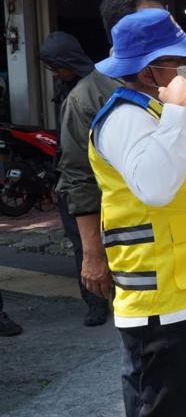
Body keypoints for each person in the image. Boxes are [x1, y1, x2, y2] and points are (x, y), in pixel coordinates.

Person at [89, 8, 186, 416]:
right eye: (180, 61)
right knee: (168, 406)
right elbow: (156, 188)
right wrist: (179, 112)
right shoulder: (124, 118)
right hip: (163, 304)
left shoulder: (164, 113)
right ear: (149, 72)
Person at [62, 0, 164, 316]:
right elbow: (80, 178)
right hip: (138, 250)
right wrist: (92, 252)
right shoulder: (87, 96)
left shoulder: (176, 73)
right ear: (123, 29)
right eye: (153, 21)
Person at [40, 30, 110, 326]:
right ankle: (95, 300)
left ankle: (100, 300)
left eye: (56, 67)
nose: (55, 74)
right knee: (86, 245)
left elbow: (80, 160)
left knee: (89, 245)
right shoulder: (75, 86)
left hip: (90, 181)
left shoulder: (87, 91)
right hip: (78, 179)